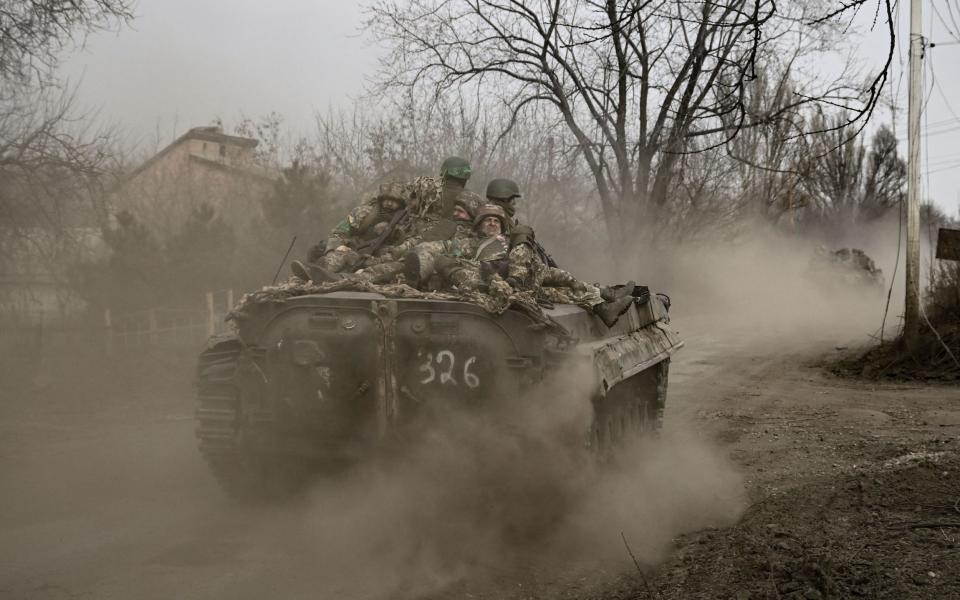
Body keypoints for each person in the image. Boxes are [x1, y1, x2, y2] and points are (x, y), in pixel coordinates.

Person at [291, 181, 409, 283]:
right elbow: (340, 231)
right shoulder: (363, 213)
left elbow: (405, 245)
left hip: (380, 259)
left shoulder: (406, 220)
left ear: (401, 203)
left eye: (394, 201)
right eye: (387, 199)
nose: (389, 203)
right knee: (339, 257)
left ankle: (337, 277)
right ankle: (315, 272)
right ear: (381, 199)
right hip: (355, 251)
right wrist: (337, 246)